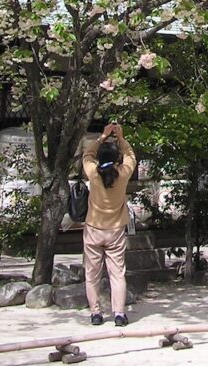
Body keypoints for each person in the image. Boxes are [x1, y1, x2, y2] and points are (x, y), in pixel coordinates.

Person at [82, 122, 137, 326]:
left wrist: (101, 137)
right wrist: (121, 138)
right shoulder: (122, 174)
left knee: (92, 274)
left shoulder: (93, 173)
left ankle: (96, 313)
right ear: (116, 159)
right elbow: (131, 157)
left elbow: (87, 156)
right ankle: (119, 314)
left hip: (94, 229)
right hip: (115, 231)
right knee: (117, 274)